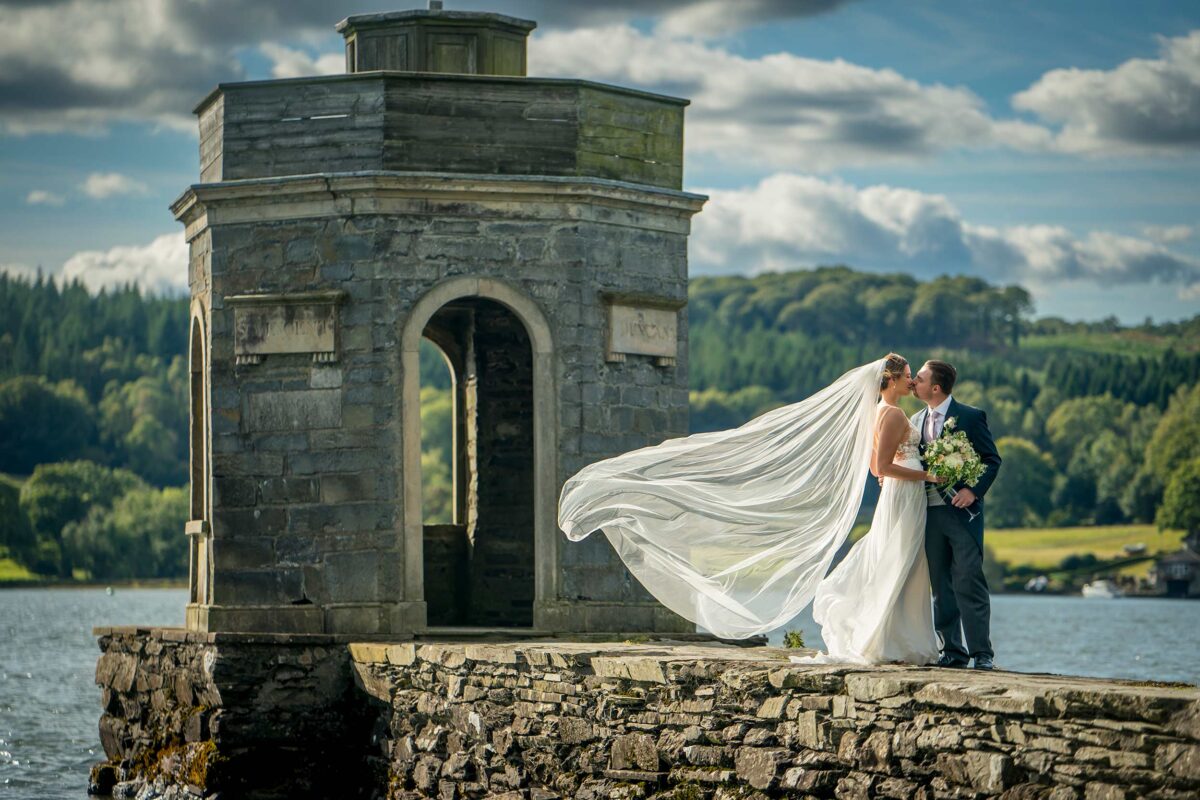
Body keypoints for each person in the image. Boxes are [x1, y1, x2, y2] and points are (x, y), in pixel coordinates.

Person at [556, 354, 955, 663]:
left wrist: (906, 475)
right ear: (891, 379)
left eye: (914, 377)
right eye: (907, 375)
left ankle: (899, 636)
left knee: (902, 562)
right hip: (905, 496)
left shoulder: (887, 413)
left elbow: (877, 467)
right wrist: (928, 478)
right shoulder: (892, 413)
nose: (911, 380)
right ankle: (885, 638)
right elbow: (880, 467)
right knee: (897, 561)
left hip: (903, 497)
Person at [911, 360, 1002, 670]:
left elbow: (991, 460)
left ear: (936, 387)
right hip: (929, 515)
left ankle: (982, 654)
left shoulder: (971, 417)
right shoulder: (914, 420)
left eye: (919, 379)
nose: (914, 383)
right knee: (941, 585)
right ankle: (952, 652)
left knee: (969, 580)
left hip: (964, 515)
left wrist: (972, 491)